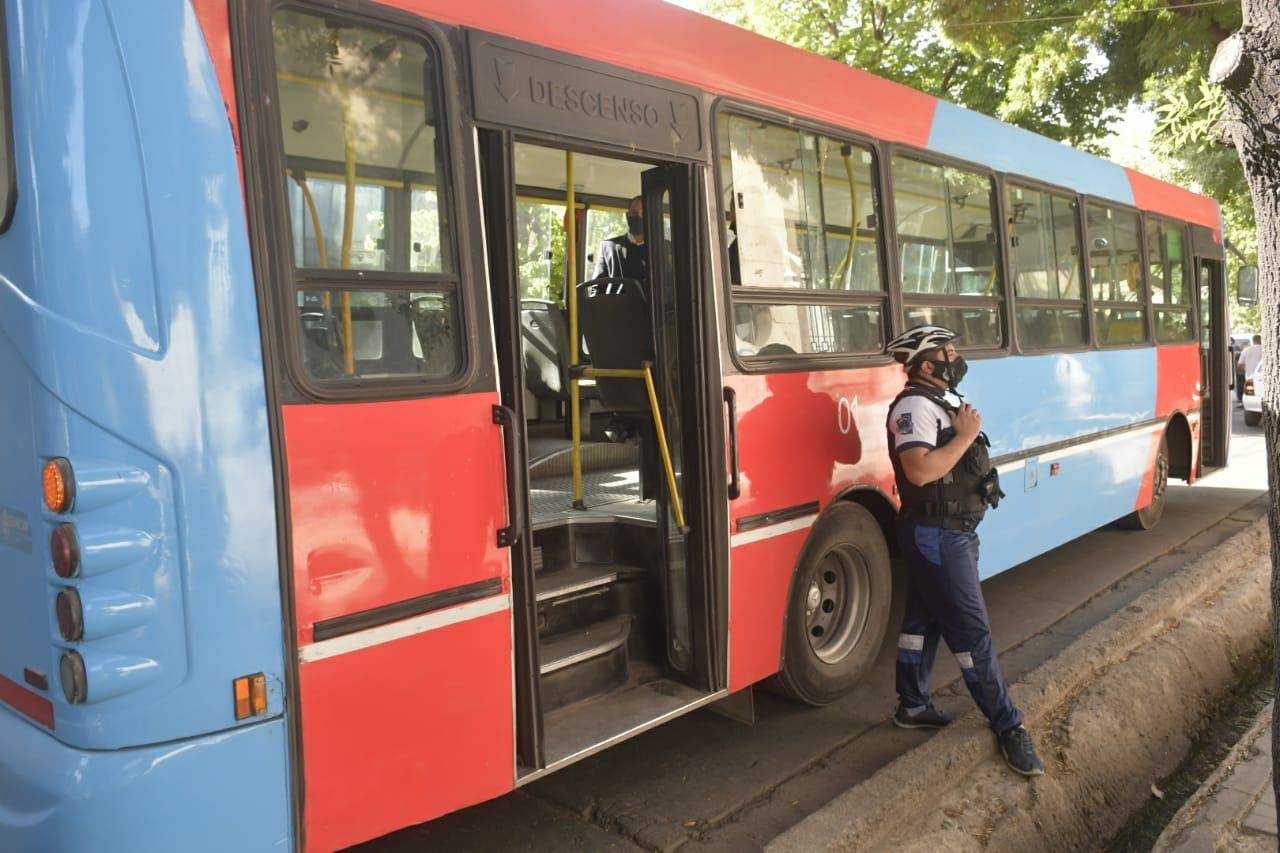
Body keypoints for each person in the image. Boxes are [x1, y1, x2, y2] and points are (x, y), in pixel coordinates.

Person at [883, 324, 1045, 777]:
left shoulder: (941, 401)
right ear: (927, 365)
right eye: (947, 352)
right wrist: (964, 435)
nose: (957, 357)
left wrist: (964, 432)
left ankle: (912, 705)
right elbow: (918, 471)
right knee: (972, 635)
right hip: (937, 535)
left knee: (924, 620)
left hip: (950, 533)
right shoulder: (914, 407)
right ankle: (1008, 724)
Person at [593, 195, 648, 283]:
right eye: (634, 213)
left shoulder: (663, 249)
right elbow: (597, 287)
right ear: (627, 216)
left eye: (644, 213)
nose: (639, 216)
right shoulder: (608, 248)